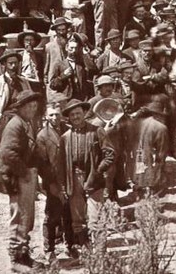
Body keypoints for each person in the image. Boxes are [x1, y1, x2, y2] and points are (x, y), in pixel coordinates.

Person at [0, 90, 43, 270]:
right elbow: (7, 153)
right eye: (29, 105)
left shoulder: (26, 123)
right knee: (20, 216)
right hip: (16, 177)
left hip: (23, 175)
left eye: (35, 105)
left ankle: (23, 253)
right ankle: (16, 259)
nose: (33, 108)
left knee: (26, 216)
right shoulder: (15, 125)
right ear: (20, 107)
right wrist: (24, 173)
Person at [57, 99, 114, 250]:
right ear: (68, 117)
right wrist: (63, 186)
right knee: (77, 219)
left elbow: (110, 154)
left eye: (78, 113)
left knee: (97, 218)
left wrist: (99, 170)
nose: (75, 117)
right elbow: (61, 165)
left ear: (84, 113)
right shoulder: (65, 138)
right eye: (72, 115)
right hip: (74, 178)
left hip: (93, 178)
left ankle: (101, 253)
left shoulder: (97, 131)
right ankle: (87, 251)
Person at [35, 103, 74, 259]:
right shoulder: (42, 136)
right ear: (46, 116)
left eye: (57, 114)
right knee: (52, 215)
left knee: (69, 214)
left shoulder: (69, 130)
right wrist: (51, 184)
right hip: (53, 181)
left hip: (70, 178)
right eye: (51, 114)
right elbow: (42, 164)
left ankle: (69, 246)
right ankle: (49, 248)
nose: (54, 117)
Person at [0, 50, 32, 157]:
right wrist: (0, 118)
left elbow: (30, 101)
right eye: (10, 63)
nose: (13, 66)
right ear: (5, 64)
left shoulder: (24, 82)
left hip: (22, 119)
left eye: (16, 63)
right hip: (4, 120)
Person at [48, 36, 96, 101]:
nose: (73, 51)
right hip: (66, 98)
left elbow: (93, 71)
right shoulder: (59, 64)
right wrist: (62, 77)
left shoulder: (82, 63)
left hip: (81, 98)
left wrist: (84, 53)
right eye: (71, 48)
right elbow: (52, 85)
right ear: (66, 47)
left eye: (76, 48)